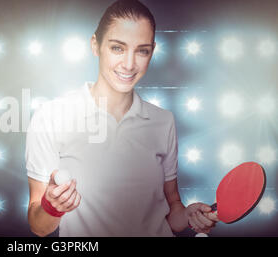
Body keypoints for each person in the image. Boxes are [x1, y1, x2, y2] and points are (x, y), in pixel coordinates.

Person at [25, 0, 219, 237]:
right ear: (95, 45)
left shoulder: (163, 121)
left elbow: (171, 210)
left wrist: (188, 215)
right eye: (117, 47)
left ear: (152, 51)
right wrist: (51, 208)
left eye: (142, 51)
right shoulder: (51, 117)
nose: (129, 64)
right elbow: (38, 226)